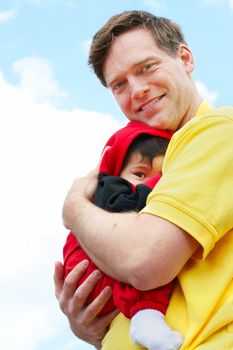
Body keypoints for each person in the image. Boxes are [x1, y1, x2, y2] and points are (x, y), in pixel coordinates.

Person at [54, 10, 233, 350]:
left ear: (185, 58)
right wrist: (93, 327)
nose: (136, 91)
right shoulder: (154, 163)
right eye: (119, 84)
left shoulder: (218, 131)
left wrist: (75, 208)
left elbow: (144, 262)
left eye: (146, 67)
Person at [63, 121, 182, 350]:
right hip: (92, 273)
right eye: (139, 174)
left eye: (161, 175)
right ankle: (145, 315)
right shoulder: (109, 190)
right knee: (147, 250)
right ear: (116, 170)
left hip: (104, 287)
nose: (150, 183)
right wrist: (167, 180)